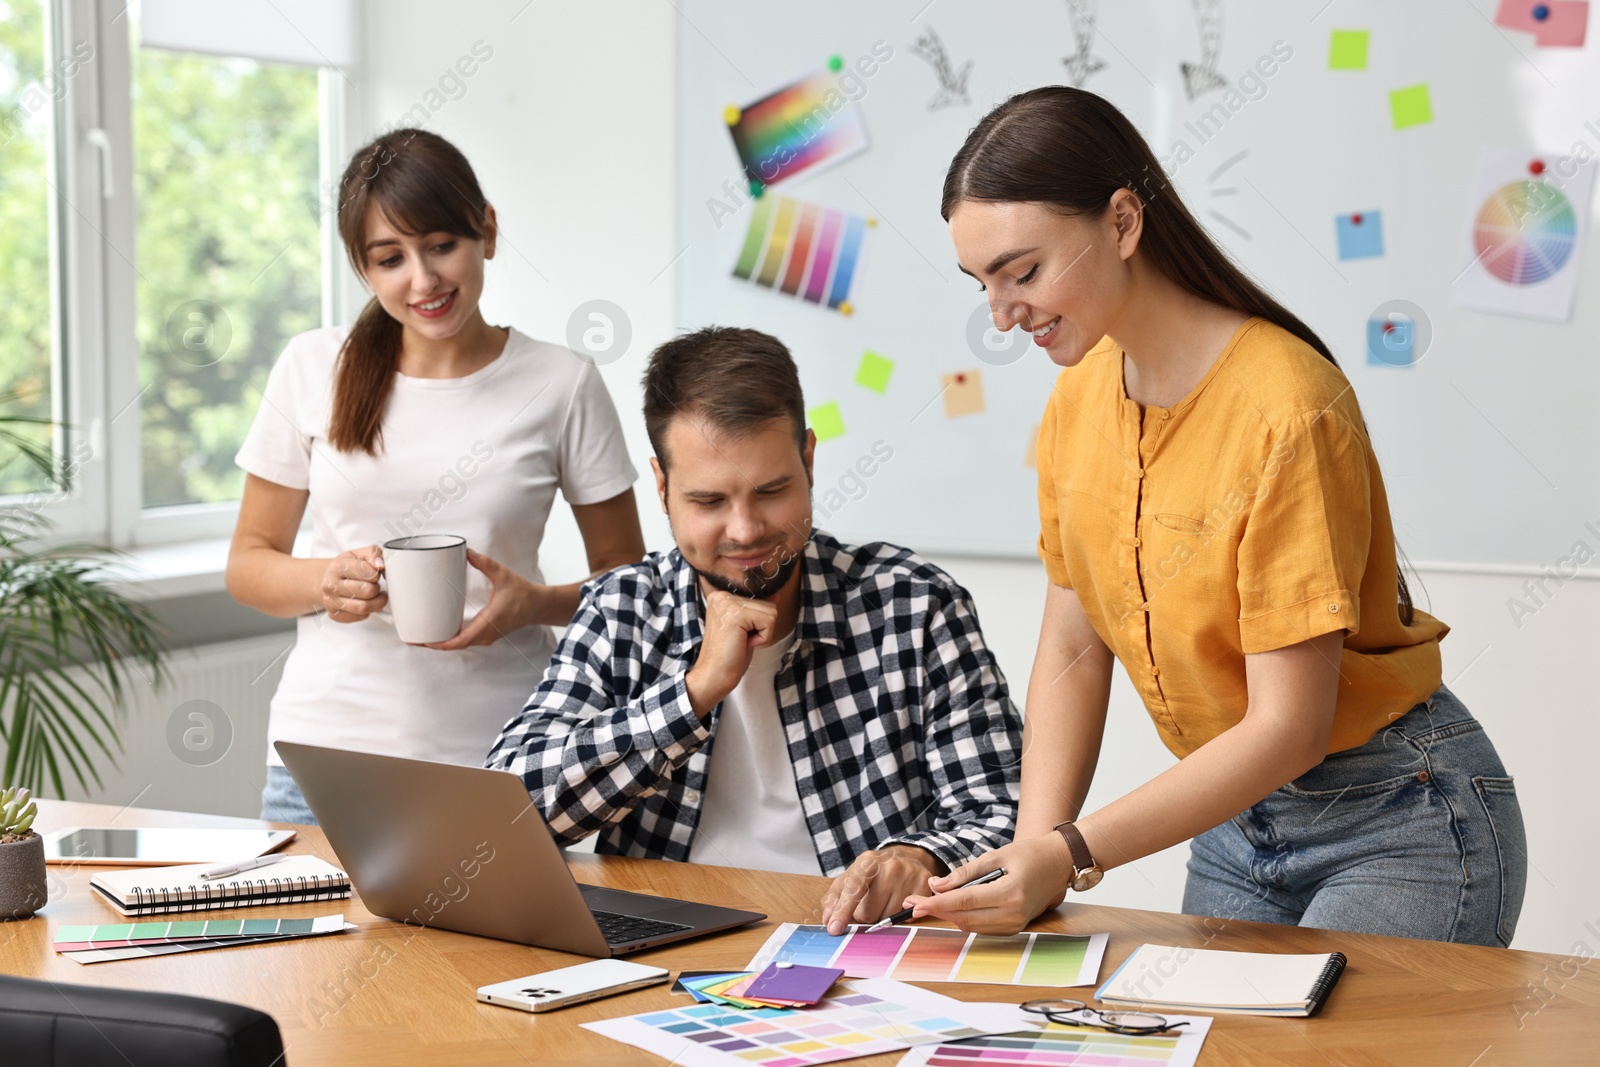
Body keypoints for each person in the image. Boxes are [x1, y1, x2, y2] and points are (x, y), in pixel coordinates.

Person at [905, 87, 1526, 947]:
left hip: (1398, 817)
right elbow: (1074, 646)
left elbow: (1289, 725)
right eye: (983, 283)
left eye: (1024, 271)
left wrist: (1073, 851)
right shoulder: (1077, 398)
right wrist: (1030, 855)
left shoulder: (1289, 405)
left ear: (1123, 222)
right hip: (1238, 820)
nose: (1001, 315)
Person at [486, 326, 1021, 930]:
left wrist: (923, 855)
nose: (744, 531)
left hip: (857, 947)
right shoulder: (623, 608)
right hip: (665, 949)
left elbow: (1009, 811)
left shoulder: (915, 605)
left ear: (810, 461)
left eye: (771, 491)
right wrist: (689, 696)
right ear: (662, 488)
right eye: (709, 502)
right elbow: (502, 812)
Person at [228, 129, 645, 824]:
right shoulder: (310, 367)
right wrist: (322, 580)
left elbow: (629, 583)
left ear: (485, 230)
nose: (422, 282)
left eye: (441, 246)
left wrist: (534, 603)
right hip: (324, 763)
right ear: (363, 269)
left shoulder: (562, 382)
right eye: (390, 259)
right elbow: (248, 564)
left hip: (505, 758)